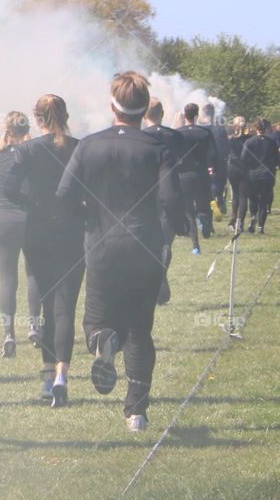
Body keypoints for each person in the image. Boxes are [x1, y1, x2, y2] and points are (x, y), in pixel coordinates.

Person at [57, 72, 184, 432]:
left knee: (95, 319)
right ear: (145, 109)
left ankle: (103, 340)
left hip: (100, 244)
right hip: (144, 246)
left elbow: (64, 195)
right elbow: (171, 199)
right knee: (140, 331)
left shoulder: (88, 146)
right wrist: (177, 226)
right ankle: (136, 413)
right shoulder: (158, 148)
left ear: (112, 105)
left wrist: (88, 218)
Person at [6, 94, 84, 407]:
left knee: (48, 306)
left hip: (38, 232)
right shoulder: (79, 147)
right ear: (65, 115)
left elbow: (9, 189)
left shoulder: (26, 149)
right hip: (72, 231)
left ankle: (49, 378)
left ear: (37, 120)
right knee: (66, 307)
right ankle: (63, 373)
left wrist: (32, 204)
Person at [0, 110, 41, 355]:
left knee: (7, 278)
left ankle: (9, 333)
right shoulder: (33, 155)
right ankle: (33, 326)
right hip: (30, 219)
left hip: (4, 221)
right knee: (34, 275)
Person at [142, 98, 185, 305]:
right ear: (163, 113)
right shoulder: (175, 136)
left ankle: (155, 279)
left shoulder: (140, 137)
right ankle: (161, 274)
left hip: (146, 195)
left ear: (144, 115)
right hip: (171, 190)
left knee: (149, 241)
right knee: (166, 240)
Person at [177, 103, 218, 254]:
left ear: (184, 115)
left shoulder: (177, 133)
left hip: (184, 175)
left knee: (188, 211)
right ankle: (205, 222)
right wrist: (212, 167)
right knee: (204, 205)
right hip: (201, 174)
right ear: (196, 116)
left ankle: (195, 246)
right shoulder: (204, 133)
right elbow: (213, 154)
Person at [241, 118, 279, 234]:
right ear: (266, 128)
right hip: (268, 174)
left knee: (253, 198)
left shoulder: (249, 142)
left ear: (256, 128)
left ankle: (253, 216)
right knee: (264, 201)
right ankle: (261, 227)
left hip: (253, 174)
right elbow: (277, 159)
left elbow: (243, 158)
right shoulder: (272, 142)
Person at [201, 103, 229, 216]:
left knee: (209, 183)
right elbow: (226, 145)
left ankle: (213, 201)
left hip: (207, 160)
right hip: (221, 159)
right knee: (220, 181)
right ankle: (219, 198)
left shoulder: (202, 129)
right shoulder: (221, 129)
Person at [226, 116, 250, 231]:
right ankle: (240, 222)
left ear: (234, 126)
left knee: (235, 195)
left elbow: (229, 155)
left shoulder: (230, 139)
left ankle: (233, 219)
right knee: (243, 196)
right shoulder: (249, 139)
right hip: (245, 169)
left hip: (233, 169)